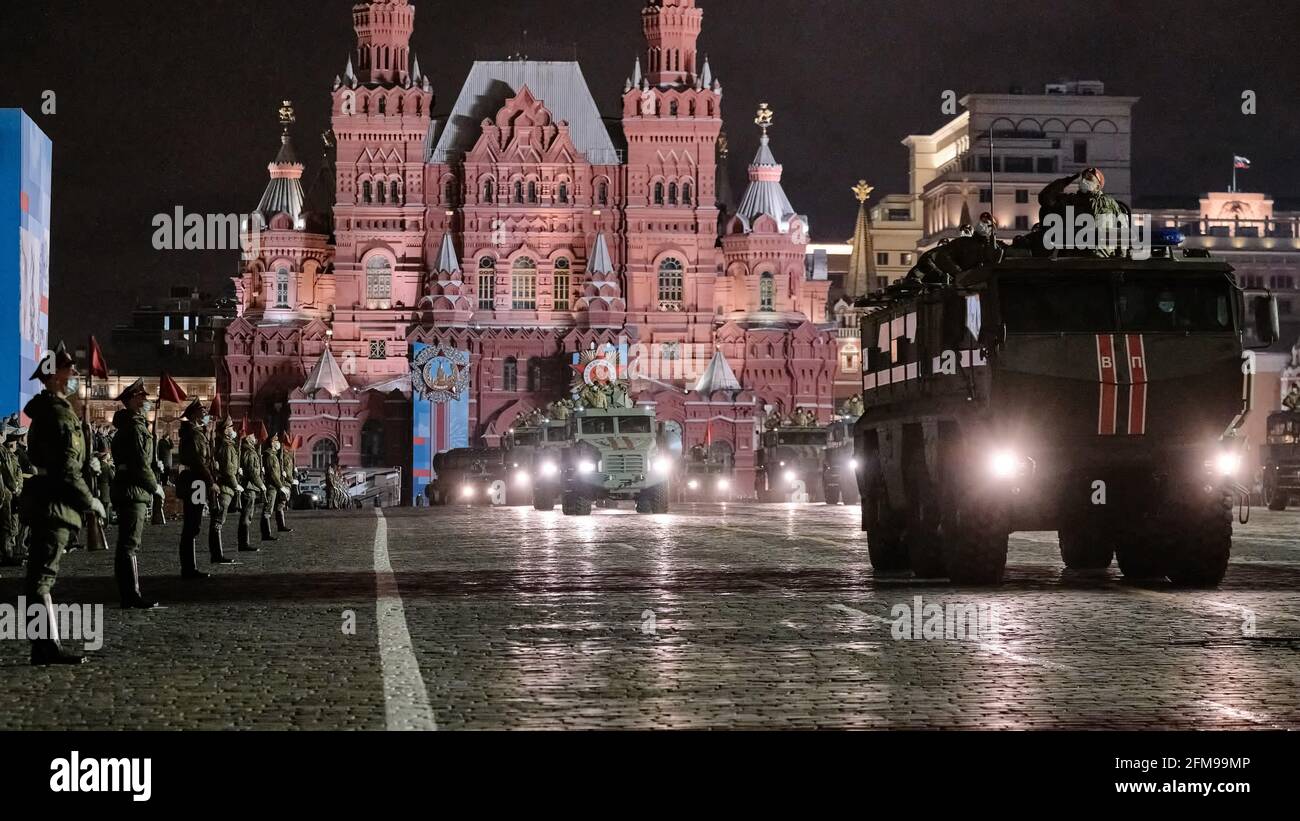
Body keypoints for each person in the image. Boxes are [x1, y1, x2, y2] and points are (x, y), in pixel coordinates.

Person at [21, 343, 103, 664]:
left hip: (48, 499)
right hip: (54, 503)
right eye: (70, 372)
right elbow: (67, 468)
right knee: (41, 578)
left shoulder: (54, 412)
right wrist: (89, 500)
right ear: (56, 377)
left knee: (42, 576)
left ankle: (45, 646)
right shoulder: (57, 415)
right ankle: (46, 647)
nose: (74, 377)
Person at [110, 378, 162, 609]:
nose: (146, 401)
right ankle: (131, 595)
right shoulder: (134, 428)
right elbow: (140, 463)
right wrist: (154, 486)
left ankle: (130, 593)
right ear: (132, 400)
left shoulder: (133, 425)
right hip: (133, 489)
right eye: (142, 397)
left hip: (129, 487)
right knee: (129, 544)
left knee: (128, 543)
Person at [177, 398, 222, 578]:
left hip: (197, 481)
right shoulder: (193, 435)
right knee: (192, 524)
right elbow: (198, 461)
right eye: (202, 412)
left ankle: (190, 567)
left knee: (194, 525)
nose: (206, 414)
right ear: (194, 415)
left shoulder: (198, 432)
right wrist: (211, 482)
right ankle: (188, 569)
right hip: (195, 482)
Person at [210, 415, 242, 562]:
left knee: (218, 521)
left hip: (224, 487)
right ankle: (217, 555)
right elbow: (229, 470)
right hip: (225, 488)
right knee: (218, 522)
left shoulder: (225, 444)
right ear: (225, 430)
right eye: (231, 428)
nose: (233, 430)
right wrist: (236, 485)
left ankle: (217, 554)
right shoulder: (227, 446)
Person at [237, 421, 265, 551]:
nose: (255, 438)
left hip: (250, 487)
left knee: (248, 515)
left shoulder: (249, 450)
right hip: (249, 487)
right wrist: (261, 485)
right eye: (253, 436)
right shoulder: (248, 452)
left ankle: (244, 542)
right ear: (248, 438)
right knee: (246, 515)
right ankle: (244, 543)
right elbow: (252, 471)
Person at [0, 420, 22, 570]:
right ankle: (7, 555)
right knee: (6, 526)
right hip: (4, 493)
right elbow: (8, 472)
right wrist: (15, 488)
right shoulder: (2, 451)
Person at [261, 431, 286, 541]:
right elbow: (272, 473)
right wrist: (280, 486)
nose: (278, 443)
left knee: (270, 509)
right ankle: (266, 534)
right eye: (276, 441)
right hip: (272, 486)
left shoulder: (273, 455)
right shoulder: (270, 455)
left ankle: (267, 533)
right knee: (268, 510)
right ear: (272, 443)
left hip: (274, 486)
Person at [274, 433, 295, 533]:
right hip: (285, 483)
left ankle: (282, 525)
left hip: (286, 483)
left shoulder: (285, 456)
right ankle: (281, 526)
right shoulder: (284, 457)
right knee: (280, 504)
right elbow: (286, 470)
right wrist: (292, 480)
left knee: (281, 504)